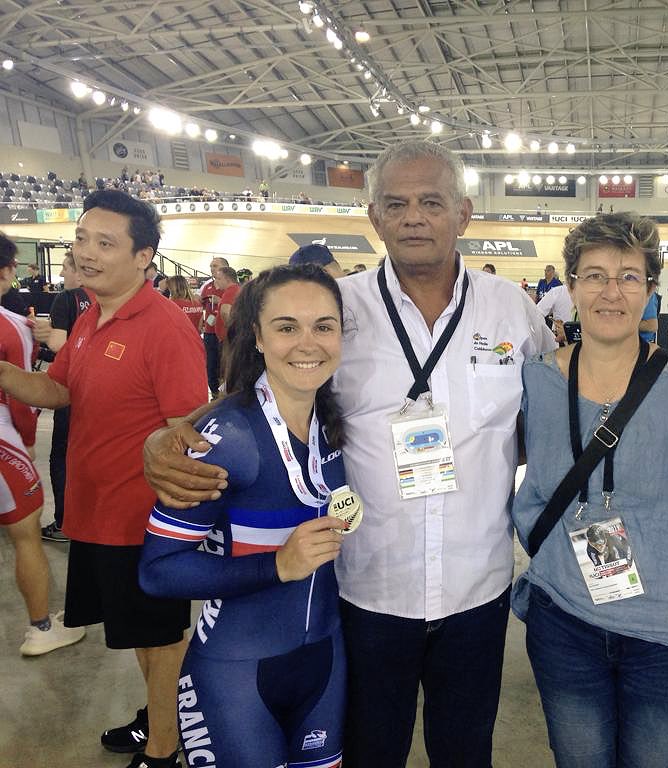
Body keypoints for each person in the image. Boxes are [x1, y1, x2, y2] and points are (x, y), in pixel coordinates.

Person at [142, 139, 555, 768]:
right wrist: (164, 438)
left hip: (479, 585)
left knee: (466, 751)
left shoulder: (513, 311)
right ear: (374, 217)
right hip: (367, 588)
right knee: (370, 752)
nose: (414, 217)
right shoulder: (339, 309)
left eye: (431, 202)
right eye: (397, 204)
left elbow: (550, 410)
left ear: (464, 213)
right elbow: (263, 387)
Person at [512, 212, 668, 767]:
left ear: (651, 290)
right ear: (571, 285)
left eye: (629, 277)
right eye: (595, 276)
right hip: (565, 620)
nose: (612, 292)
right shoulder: (532, 381)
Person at [0, 190, 206, 768]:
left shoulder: (164, 328)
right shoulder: (93, 315)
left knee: (161, 640)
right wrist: (5, 374)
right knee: (141, 636)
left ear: (145, 257)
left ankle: (166, 747)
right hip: (96, 512)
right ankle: (160, 717)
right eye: (82, 241)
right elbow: (60, 391)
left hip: (142, 521)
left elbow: (186, 431)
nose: (87, 253)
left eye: (105, 243)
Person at [140, 264, 350, 768]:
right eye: (286, 327)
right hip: (235, 674)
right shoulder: (229, 437)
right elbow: (158, 570)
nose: (308, 343)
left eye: (324, 326)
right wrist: (276, 565)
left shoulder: (339, 425)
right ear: (256, 337)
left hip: (325, 663)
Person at [0, 233, 85, 655]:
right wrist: (26, 442)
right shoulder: (10, 326)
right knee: (25, 534)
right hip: (5, 443)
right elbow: (23, 393)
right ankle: (40, 628)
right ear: (8, 272)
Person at [31, 251, 92, 542]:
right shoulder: (104, 300)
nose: (63, 277)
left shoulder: (67, 299)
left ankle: (64, 522)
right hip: (102, 392)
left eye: (65, 270)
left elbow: (61, 346)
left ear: (78, 272)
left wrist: (42, 340)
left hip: (71, 389)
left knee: (63, 456)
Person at [199, 257, 229, 398]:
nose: (212, 268)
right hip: (210, 331)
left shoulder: (232, 288)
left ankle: (225, 392)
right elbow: (201, 305)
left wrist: (220, 301)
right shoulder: (207, 286)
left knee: (225, 362)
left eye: (215, 265)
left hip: (225, 333)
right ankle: (214, 393)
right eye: (211, 266)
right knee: (210, 362)